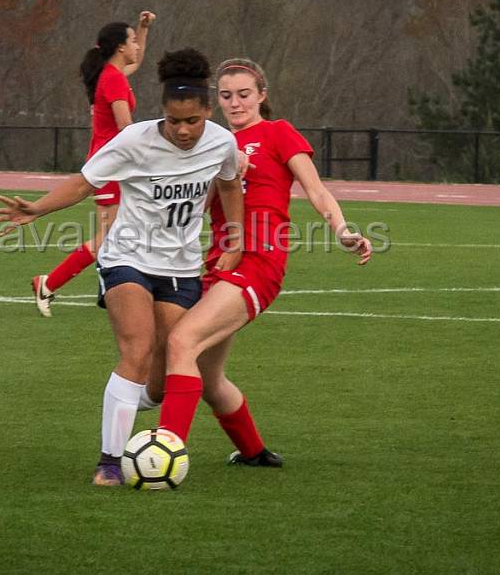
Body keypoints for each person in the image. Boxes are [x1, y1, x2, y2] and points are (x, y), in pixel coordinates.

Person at [0, 49, 244, 485]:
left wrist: (236, 235)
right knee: (136, 349)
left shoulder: (222, 142)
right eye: (173, 121)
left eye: (192, 121)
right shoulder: (134, 141)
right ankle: (109, 462)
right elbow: (83, 182)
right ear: (162, 112)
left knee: (162, 381)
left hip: (181, 268)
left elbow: (228, 183)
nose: (182, 131)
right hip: (127, 256)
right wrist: (37, 209)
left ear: (207, 110)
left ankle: (123, 401)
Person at [157, 57, 372, 466]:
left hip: (258, 262)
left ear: (261, 96)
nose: (235, 103)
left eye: (243, 94)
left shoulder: (277, 133)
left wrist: (343, 231)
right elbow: (195, 210)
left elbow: (317, 190)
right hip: (218, 265)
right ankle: (254, 452)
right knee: (206, 376)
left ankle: (165, 454)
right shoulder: (212, 143)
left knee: (181, 341)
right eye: (225, 96)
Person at [31, 11, 156, 317]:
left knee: (122, 233)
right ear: (119, 48)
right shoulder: (112, 79)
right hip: (111, 168)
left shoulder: (113, 74)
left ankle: (106, 286)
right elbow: (126, 127)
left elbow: (137, 62)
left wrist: (142, 28)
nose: (137, 46)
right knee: (108, 237)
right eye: (132, 42)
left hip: (117, 166)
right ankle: (49, 283)